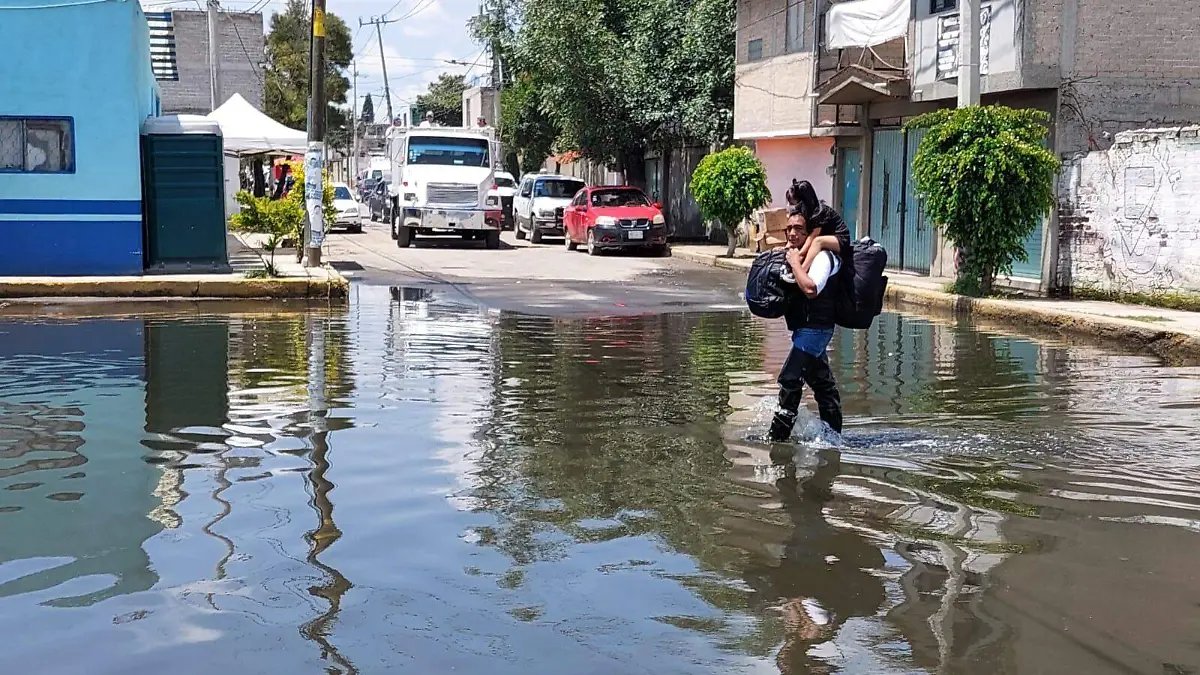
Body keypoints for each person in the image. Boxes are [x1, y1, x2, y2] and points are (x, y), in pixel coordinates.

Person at [769, 208, 848, 441]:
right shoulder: (800, 256)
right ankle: (833, 438)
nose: (792, 233)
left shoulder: (823, 257)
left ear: (811, 233)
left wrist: (794, 263)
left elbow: (812, 289)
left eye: (799, 229)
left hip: (816, 330)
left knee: (790, 379)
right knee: (822, 384)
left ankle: (777, 439)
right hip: (804, 331)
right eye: (789, 228)